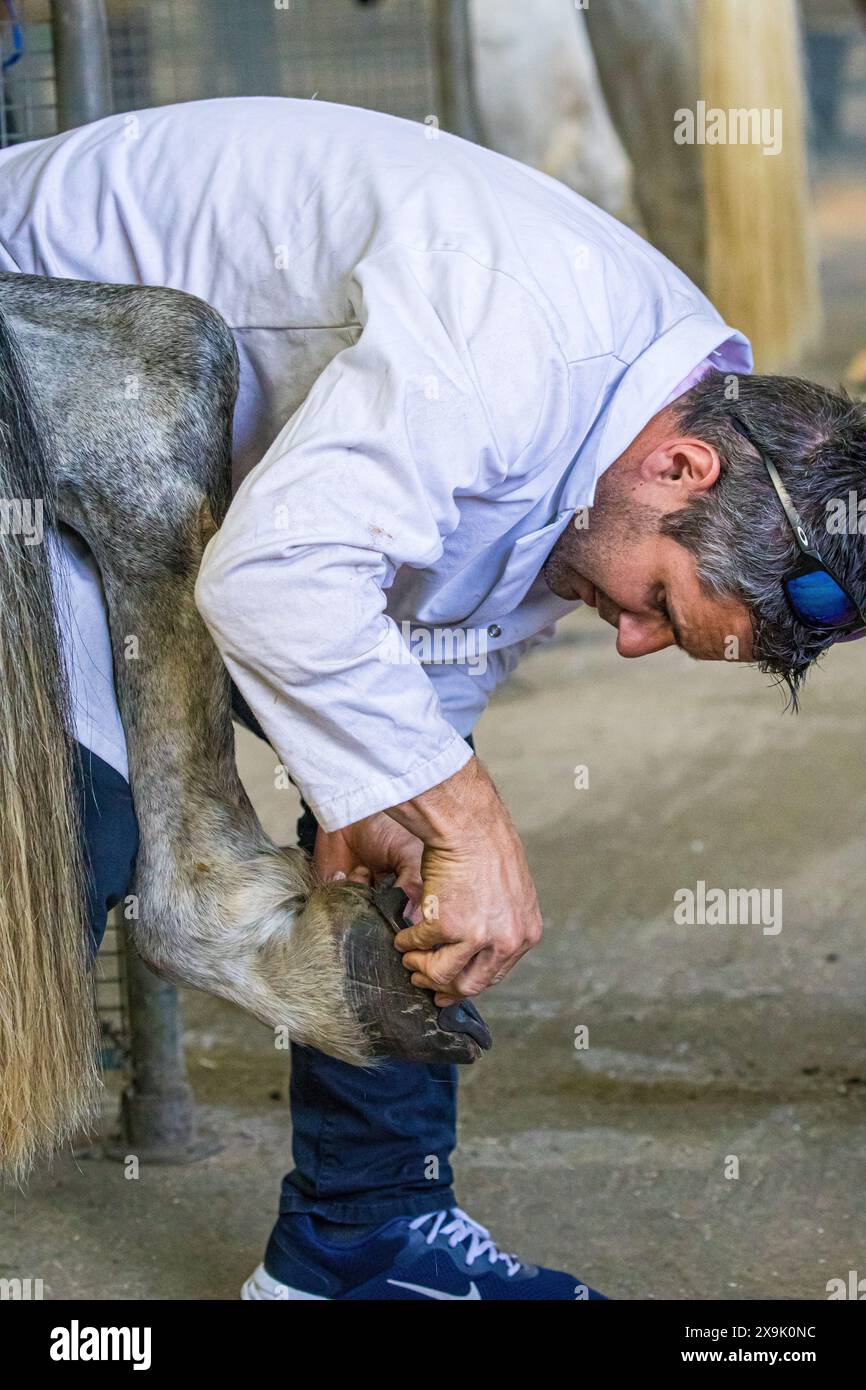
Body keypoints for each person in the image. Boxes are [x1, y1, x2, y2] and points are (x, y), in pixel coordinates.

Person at [1, 98, 861, 1301]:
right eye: (655, 605)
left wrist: (407, 811)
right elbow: (273, 577)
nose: (620, 639)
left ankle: (364, 1242)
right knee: (71, 830)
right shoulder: (516, 342)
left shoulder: (630, 437)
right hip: (32, 365)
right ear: (681, 466)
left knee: (405, 859)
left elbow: (414, 643)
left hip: (168, 484)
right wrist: (474, 818)